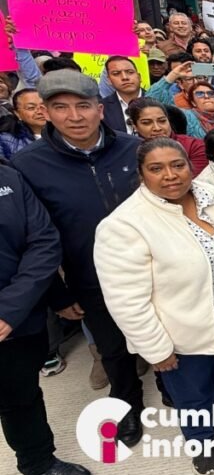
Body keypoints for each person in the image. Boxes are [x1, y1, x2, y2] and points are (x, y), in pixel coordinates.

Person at [94, 138, 214, 475]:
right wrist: (156, 349)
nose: (170, 175)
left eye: (178, 165)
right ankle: (201, 440)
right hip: (182, 334)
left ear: (190, 166)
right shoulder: (124, 225)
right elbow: (126, 301)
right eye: (157, 168)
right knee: (192, 393)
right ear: (141, 175)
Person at [13, 70, 147, 445]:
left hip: (149, 269)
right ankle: (128, 402)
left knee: (164, 334)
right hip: (89, 277)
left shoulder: (133, 148)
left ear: (99, 109)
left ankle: (173, 387)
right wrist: (58, 294)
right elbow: (33, 237)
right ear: (45, 111)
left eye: (83, 106)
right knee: (112, 349)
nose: (74, 116)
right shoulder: (28, 165)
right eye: (61, 107)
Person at [0, 160, 93, 475]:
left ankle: (37, 463)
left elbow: (42, 242)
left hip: (18, 316)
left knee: (20, 395)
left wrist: (12, 309)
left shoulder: (8, 175)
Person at [126, 98, 207, 173]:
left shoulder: (194, 146)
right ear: (134, 126)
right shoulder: (127, 151)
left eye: (162, 121)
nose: (157, 128)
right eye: (147, 123)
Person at [101, 56, 143, 132]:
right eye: (116, 74)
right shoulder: (102, 108)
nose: (125, 77)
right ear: (109, 80)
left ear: (139, 77)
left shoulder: (157, 99)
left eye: (130, 72)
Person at [0, 89, 46, 159]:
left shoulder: (63, 133)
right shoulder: (4, 140)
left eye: (43, 106)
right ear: (17, 113)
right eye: (31, 108)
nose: (40, 111)